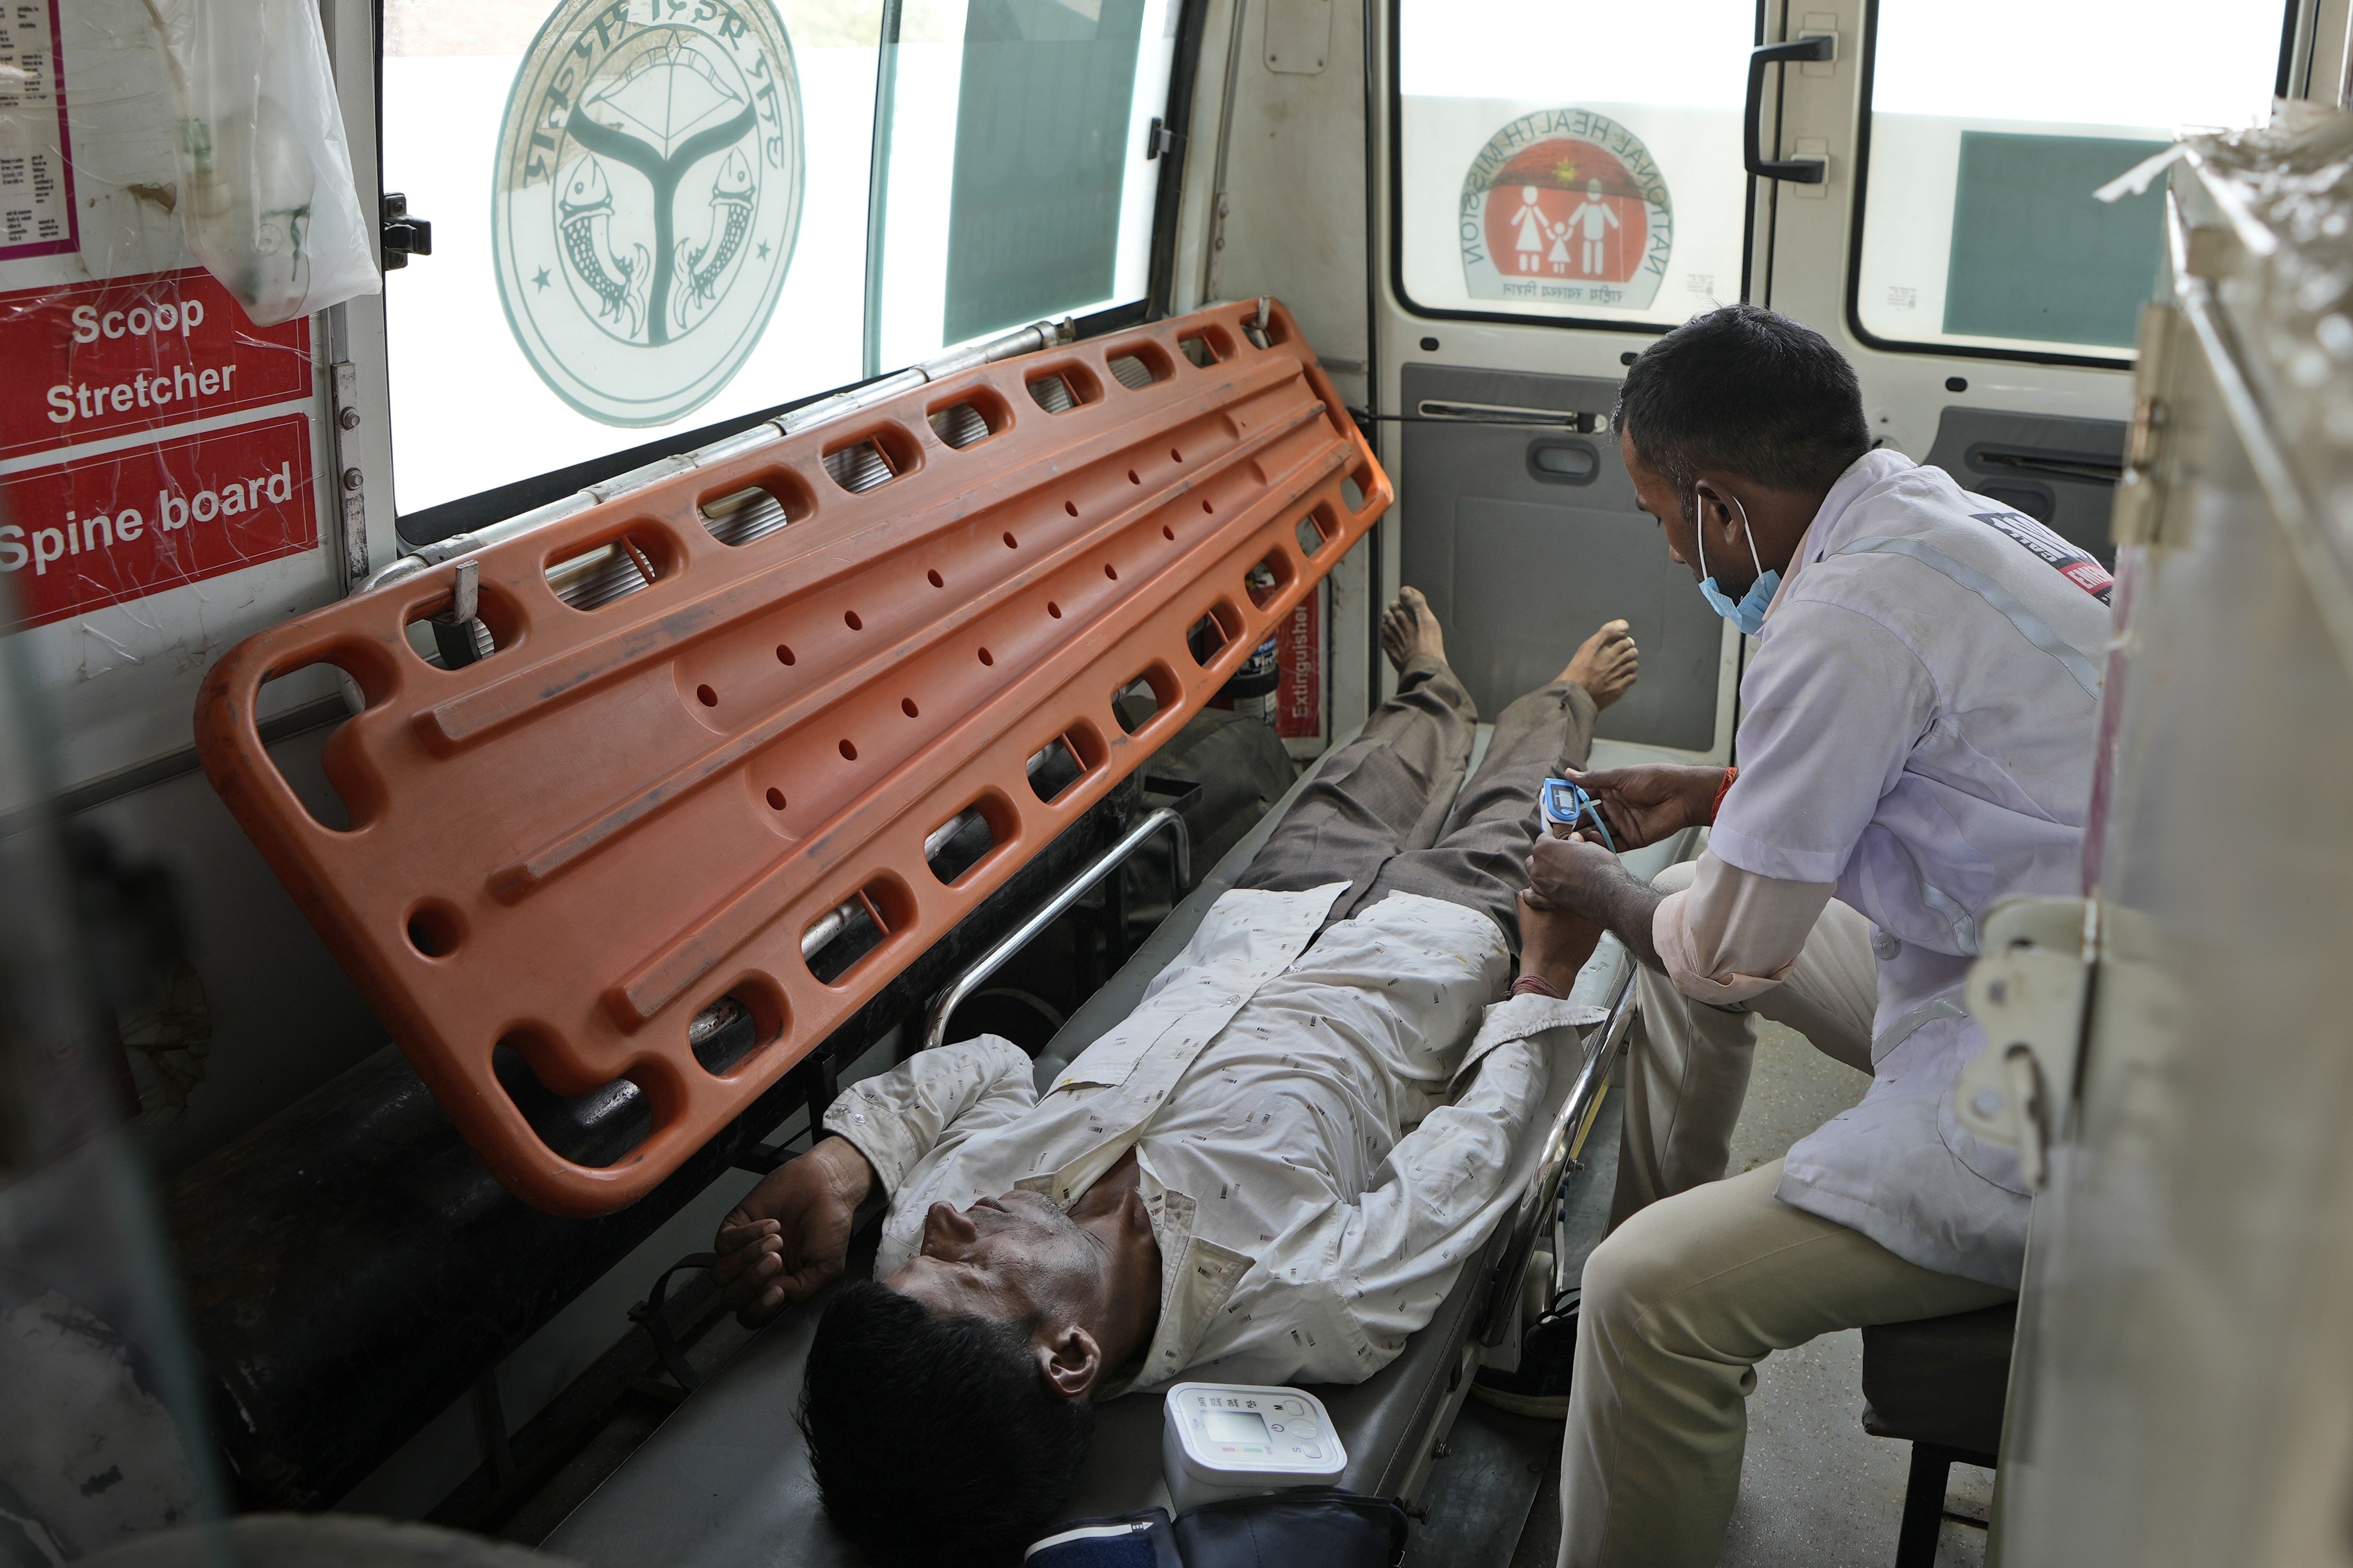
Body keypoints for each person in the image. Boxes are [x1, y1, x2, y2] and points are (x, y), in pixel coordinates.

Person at [709, 592, 1640, 1567]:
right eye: (965, 1268)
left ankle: (1432, 688)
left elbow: (987, 1068)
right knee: (1523, 786)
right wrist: (1544, 975)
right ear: (1067, 1355)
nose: (944, 1223)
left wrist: (847, 1164)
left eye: (925, 1246)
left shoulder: (936, 1220)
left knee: (1374, 759)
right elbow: (1480, 1148)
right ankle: (1568, 696)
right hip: (1438, 944)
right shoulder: (1305, 1299)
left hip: (1270, 915)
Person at [1523, 304, 2109, 1568]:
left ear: (1718, 505)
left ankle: (1650, 1324)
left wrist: (1590, 885)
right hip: (2043, 942)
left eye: (1659, 520)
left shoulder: (1841, 620)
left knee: (1652, 1290)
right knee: (1698, 916)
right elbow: (1968, 783)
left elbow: (1726, 946)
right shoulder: (1927, 515)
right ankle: (1650, 1318)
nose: (1674, 558)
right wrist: (1720, 794)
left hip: (2083, 1077)